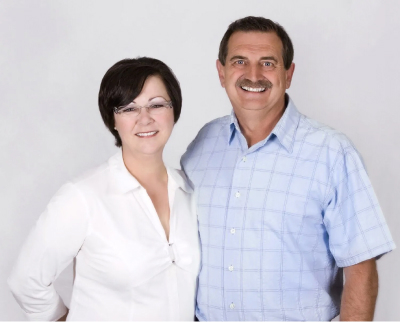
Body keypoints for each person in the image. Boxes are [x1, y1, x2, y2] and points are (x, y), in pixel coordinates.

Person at [181, 16, 395, 321]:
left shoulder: (331, 153)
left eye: (267, 63)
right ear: (222, 71)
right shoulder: (202, 146)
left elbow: (361, 269)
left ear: (288, 73)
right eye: (240, 61)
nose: (253, 75)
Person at [8, 57, 200, 321]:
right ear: (112, 119)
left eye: (156, 105)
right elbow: (25, 280)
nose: (145, 119)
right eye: (129, 109)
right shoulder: (83, 196)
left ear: (173, 111)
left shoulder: (190, 191)